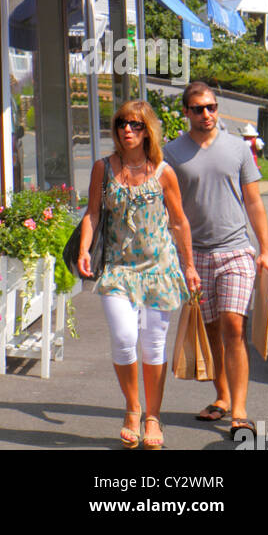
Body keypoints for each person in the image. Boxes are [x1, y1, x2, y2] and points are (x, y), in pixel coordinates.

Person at [79, 99, 200, 449]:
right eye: (121, 124)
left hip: (159, 268)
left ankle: (152, 417)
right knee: (123, 335)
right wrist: (86, 248)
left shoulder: (164, 172)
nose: (127, 131)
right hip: (118, 269)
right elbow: (93, 214)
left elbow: (178, 222)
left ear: (148, 130)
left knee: (154, 345)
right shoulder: (104, 168)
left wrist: (189, 266)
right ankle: (133, 408)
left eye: (135, 125)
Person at [164, 81, 268, 439]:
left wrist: (266, 249)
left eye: (211, 107)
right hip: (195, 256)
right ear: (187, 113)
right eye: (198, 108)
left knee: (233, 327)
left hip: (236, 251)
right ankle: (222, 397)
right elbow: (169, 208)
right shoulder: (173, 153)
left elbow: (254, 201)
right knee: (211, 330)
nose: (207, 114)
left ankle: (240, 409)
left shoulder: (238, 149)